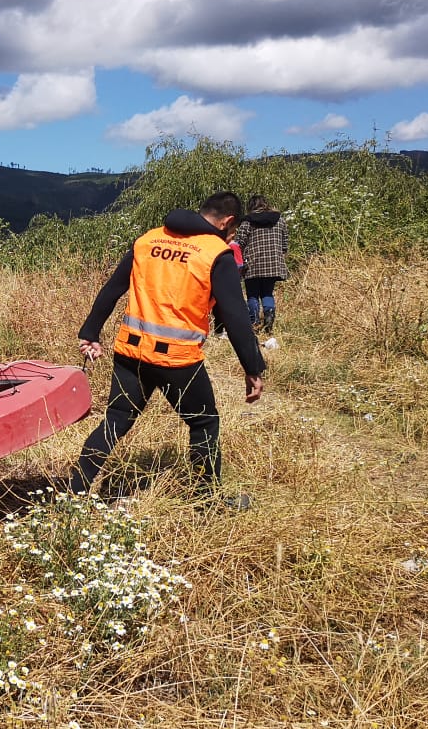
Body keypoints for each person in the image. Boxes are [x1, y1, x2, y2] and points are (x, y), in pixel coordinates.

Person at [71, 191, 265, 505]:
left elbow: (113, 288)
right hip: (177, 359)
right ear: (229, 222)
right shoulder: (216, 252)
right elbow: (236, 317)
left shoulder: (148, 240)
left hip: (130, 351)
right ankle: (207, 501)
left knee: (116, 419)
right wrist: (253, 367)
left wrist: (90, 331)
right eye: (233, 231)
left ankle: (75, 492)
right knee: (204, 422)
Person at [235, 194, 289, 334]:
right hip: (273, 264)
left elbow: (239, 243)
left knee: (252, 295)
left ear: (251, 207)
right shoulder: (279, 220)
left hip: (252, 264)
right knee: (267, 293)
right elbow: (285, 244)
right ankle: (269, 318)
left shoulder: (247, 222)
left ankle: (254, 323)